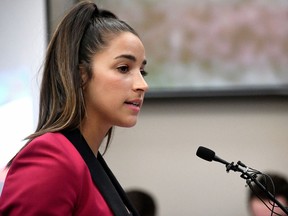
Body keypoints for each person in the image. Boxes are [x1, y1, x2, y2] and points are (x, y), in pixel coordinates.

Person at [0, 1, 148, 215]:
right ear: (80, 75)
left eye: (142, 72)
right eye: (123, 68)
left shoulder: (84, 156)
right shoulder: (52, 158)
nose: (142, 84)